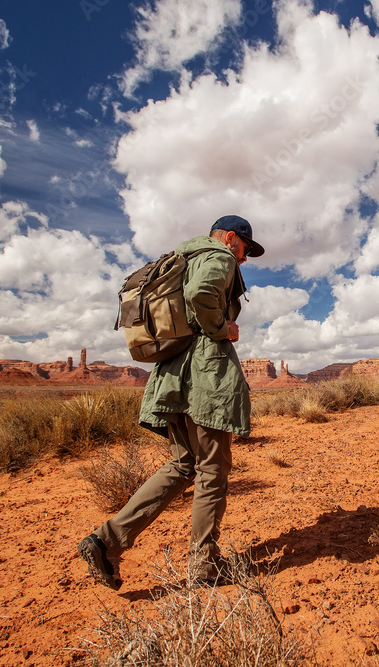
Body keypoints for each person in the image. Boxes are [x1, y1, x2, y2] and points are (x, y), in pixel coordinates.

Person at [78, 214, 264, 590]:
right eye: (244, 250)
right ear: (230, 238)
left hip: (173, 376)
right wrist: (222, 328)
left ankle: (106, 541)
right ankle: (204, 566)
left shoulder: (182, 258)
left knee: (184, 465)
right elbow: (201, 295)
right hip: (205, 377)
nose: (243, 260)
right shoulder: (219, 256)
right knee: (212, 469)